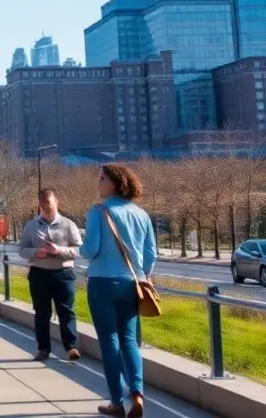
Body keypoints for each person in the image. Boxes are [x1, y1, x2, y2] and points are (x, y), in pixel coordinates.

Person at [80, 164, 157, 418]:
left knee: (110, 343)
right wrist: (141, 274)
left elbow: (90, 250)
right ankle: (137, 393)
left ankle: (116, 401)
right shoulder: (141, 214)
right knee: (129, 341)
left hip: (102, 283)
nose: (98, 182)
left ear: (113, 183)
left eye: (101, 178)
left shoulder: (97, 211)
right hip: (131, 285)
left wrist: (81, 248)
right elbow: (150, 255)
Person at [17, 188, 84, 362]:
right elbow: (21, 250)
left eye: (49, 203)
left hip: (64, 274)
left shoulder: (68, 225)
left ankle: (71, 347)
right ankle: (43, 348)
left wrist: (59, 250)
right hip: (40, 274)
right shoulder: (31, 225)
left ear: (57, 202)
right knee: (41, 313)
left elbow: (79, 250)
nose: (46, 207)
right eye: (42, 203)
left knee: (66, 312)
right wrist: (36, 252)